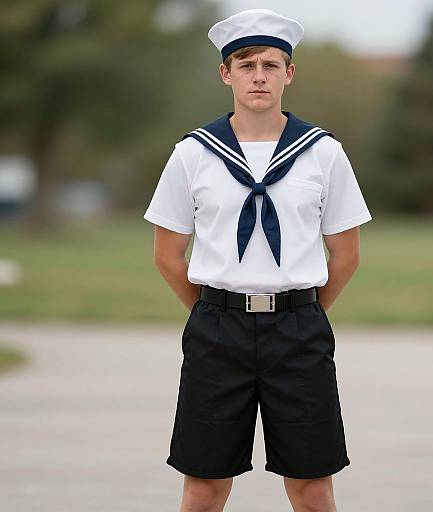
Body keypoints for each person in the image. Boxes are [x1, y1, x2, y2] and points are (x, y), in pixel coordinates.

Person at [143, 8, 372, 512]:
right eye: (246, 65)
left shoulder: (323, 153)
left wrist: (301, 309)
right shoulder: (193, 154)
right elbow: (167, 253)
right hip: (216, 331)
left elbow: (347, 254)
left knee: (312, 488)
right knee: (204, 487)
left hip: (298, 330)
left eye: (271, 64)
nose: (259, 76)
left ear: (289, 73)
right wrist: (215, 310)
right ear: (226, 73)